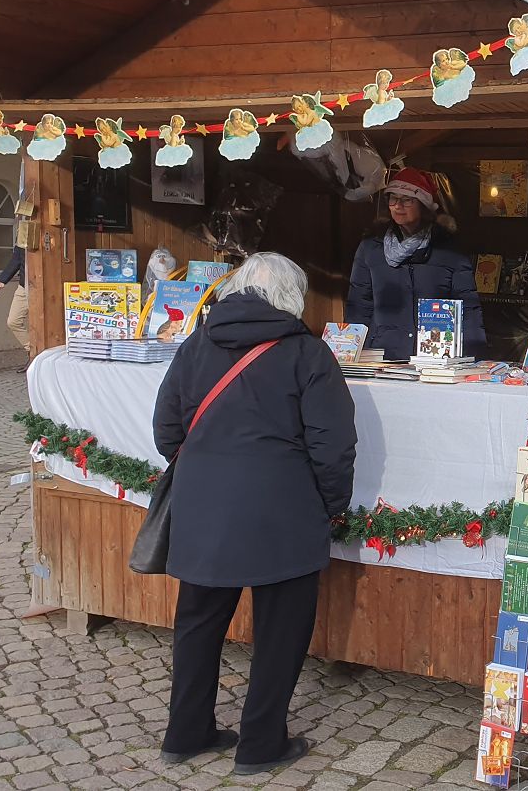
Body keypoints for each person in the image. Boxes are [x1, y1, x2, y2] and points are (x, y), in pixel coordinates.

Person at [152, 253, 357, 774]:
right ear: (293, 298)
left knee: (197, 623)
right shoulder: (307, 353)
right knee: (280, 631)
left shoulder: (197, 342)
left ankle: (185, 733)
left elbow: (166, 430)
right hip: (282, 509)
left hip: (202, 507)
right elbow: (333, 445)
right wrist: (330, 505)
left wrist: (205, 469)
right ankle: (261, 743)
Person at [345, 168, 485, 361]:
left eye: (407, 199)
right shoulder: (371, 248)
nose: (398, 206)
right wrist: (350, 353)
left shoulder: (449, 250)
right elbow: (359, 305)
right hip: (383, 356)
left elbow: (468, 308)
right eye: (393, 198)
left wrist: (473, 357)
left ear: (424, 205)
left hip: (436, 356)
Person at [0, 245, 30, 372]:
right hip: (24, 286)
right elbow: (16, 260)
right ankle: (33, 352)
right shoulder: (21, 239)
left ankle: (39, 357)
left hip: (43, 286)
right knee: (13, 321)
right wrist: (1, 280)